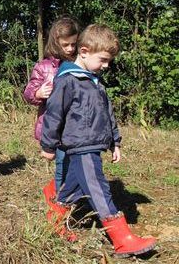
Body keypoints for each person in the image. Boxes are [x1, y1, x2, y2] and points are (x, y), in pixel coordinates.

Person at [41, 24, 156, 256]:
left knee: (72, 189)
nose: (106, 66)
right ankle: (121, 239)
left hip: (94, 144)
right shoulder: (68, 80)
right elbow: (54, 114)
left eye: (108, 61)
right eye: (103, 60)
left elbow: (107, 113)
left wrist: (115, 141)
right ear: (83, 51)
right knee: (98, 189)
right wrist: (48, 144)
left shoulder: (95, 81)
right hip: (80, 145)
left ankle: (52, 225)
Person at [23, 17, 80, 201]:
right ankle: (59, 200)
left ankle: (68, 195)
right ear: (56, 43)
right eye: (66, 45)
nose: (71, 49)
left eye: (74, 44)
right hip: (55, 126)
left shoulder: (80, 63)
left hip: (75, 125)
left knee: (75, 163)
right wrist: (38, 93)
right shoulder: (44, 67)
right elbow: (28, 93)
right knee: (62, 163)